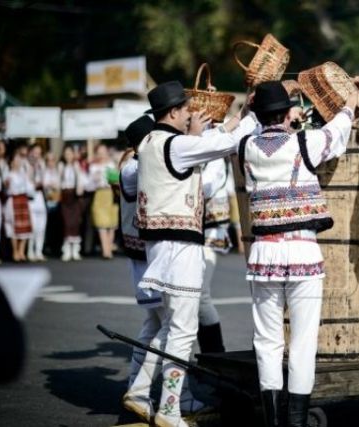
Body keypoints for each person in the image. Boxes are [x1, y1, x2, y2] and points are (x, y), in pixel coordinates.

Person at [134, 81, 257, 427]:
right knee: (183, 332)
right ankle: (170, 408)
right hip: (180, 248)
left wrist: (226, 122)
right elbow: (225, 144)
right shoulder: (175, 144)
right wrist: (249, 115)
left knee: (166, 326)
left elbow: (208, 144)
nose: (191, 114)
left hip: (160, 247)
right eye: (187, 109)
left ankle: (140, 391)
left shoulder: (149, 142)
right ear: (173, 113)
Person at [240, 81, 356, 427]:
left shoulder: (246, 145)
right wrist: (349, 104)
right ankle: (296, 420)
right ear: (288, 113)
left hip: (264, 252)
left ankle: (274, 419)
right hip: (302, 250)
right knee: (304, 340)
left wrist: (250, 109)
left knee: (267, 340)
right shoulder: (305, 141)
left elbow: (248, 124)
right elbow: (336, 132)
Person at [118, 115, 167, 423]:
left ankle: (135, 389)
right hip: (145, 261)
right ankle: (145, 391)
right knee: (171, 326)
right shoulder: (134, 168)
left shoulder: (135, 165)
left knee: (153, 325)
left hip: (145, 258)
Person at [198, 157, 231, 353]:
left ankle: (215, 353)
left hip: (210, 229)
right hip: (189, 229)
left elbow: (206, 188)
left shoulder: (214, 156)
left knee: (201, 295)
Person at [89, 143, 119, 259]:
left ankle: (108, 247)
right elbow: (89, 184)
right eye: (99, 152)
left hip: (111, 193)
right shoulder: (93, 166)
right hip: (99, 194)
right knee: (101, 223)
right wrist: (95, 178)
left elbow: (116, 178)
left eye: (103, 151)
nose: (101, 154)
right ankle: (106, 250)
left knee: (111, 223)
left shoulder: (112, 164)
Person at [4, 152, 33, 262]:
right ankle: (15, 251)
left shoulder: (24, 174)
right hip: (13, 201)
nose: (18, 162)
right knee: (13, 227)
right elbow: (7, 188)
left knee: (24, 227)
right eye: (16, 160)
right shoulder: (8, 175)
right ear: (11, 162)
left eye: (19, 160)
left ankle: (21, 251)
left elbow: (30, 189)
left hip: (23, 200)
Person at [58, 146, 85, 261]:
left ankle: (75, 250)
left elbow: (81, 180)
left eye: (70, 153)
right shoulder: (61, 166)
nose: (68, 156)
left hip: (74, 196)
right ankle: (66, 250)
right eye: (66, 154)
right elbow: (57, 181)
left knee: (75, 223)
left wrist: (80, 190)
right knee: (66, 223)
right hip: (65, 196)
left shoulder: (76, 165)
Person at [27, 144, 48, 261]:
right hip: (31, 198)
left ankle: (38, 251)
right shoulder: (26, 165)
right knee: (33, 227)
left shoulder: (42, 165)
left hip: (40, 198)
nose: (37, 155)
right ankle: (30, 251)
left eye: (39, 153)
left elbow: (46, 180)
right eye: (35, 152)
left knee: (41, 227)